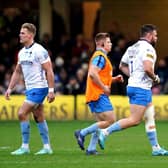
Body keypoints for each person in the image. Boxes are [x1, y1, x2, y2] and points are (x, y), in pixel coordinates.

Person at [98, 24, 168, 156]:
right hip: (140, 88)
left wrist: (134, 75)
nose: (156, 38)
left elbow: (122, 65)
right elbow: (147, 68)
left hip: (136, 86)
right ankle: (105, 132)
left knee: (149, 116)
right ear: (149, 35)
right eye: (155, 35)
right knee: (134, 120)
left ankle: (156, 148)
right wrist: (155, 78)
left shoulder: (132, 48)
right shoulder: (148, 48)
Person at [5, 23, 55, 155]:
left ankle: (25, 147)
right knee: (39, 116)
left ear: (31, 35)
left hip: (39, 88)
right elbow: (17, 72)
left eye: (23, 33)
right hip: (31, 89)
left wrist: (51, 90)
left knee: (22, 113)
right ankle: (47, 147)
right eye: (20, 32)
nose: (20, 35)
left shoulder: (39, 50)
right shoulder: (21, 52)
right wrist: (10, 88)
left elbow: (49, 70)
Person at [74, 32, 124, 155]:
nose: (111, 44)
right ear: (101, 44)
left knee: (100, 123)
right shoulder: (100, 57)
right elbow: (92, 73)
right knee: (111, 120)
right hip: (98, 93)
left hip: (95, 93)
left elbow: (99, 76)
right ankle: (82, 133)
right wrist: (104, 88)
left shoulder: (101, 57)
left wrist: (114, 79)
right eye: (108, 42)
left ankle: (91, 148)